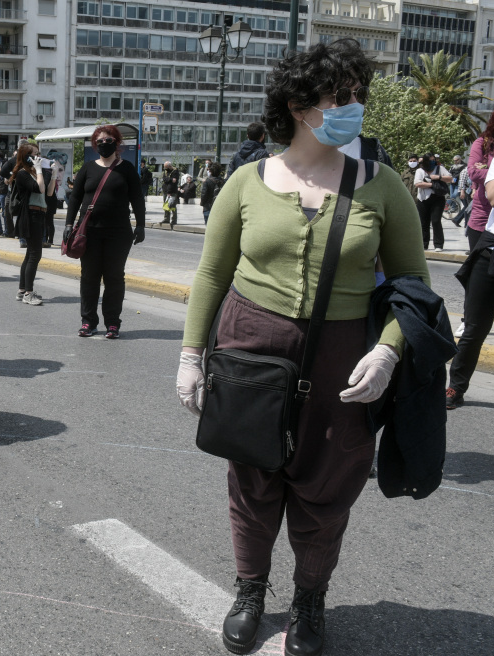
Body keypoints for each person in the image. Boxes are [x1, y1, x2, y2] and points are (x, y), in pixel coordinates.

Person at [175, 40, 430, 656]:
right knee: (253, 477)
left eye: (356, 97)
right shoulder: (246, 181)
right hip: (249, 349)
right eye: (338, 98)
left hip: (343, 359)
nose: (352, 109)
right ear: (296, 105)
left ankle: (310, 599)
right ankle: (250, 589)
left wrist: (389, 351)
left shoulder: (382, 185)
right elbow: (212, 275)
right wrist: (189, 357)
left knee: (328, 486)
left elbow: (412, 286)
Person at [65, 125, 145, 339]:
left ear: (117, 143)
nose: (104, 144)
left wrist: (141, 224)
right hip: (89, 232)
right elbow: (75, 197)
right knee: (89, 277)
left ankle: (112, 323)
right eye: (99, 141)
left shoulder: (126, 168)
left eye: (108, 140)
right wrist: (67, 224)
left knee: (114, 277)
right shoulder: (88, 168)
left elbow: (137, 197)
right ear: (95, 145)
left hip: (118, 233)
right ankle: (88, 321)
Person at [462, 101, 494, 342]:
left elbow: (485, 172)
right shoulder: (483, 142)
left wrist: (492, 170)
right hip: (482, 218)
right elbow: (473, 171)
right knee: (478, 277)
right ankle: (468, 318)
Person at [10, 143, 47, 305]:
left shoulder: (31, 172)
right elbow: (38, 189)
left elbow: (47, 191)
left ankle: (22, 290)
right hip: (30, 215)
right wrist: (39, 170)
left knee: (30, 254)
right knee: (34, 254)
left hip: (38, 214)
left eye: (39, 154)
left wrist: (51, 174)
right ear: (26, 156)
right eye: (34, 154)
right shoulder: (22, 174)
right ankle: (28, 293)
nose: (38, 157)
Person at [414, 151, 454, 252]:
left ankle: (438, 244)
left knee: (436, 221)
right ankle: (424, 244)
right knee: (424, 222)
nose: (432, 162)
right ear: (426, 161)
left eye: (433, 160)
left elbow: (450, 179)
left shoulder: (439, 168)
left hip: (437, 198)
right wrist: (432, 184)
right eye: (430, 160)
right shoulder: (420, 171)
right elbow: (417, 183)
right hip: (423, 199)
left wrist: (439, 177)